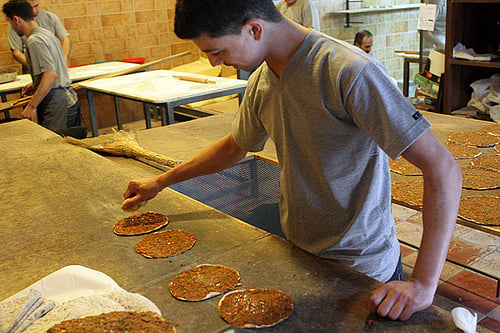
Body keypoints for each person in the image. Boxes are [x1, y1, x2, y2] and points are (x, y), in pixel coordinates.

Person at [122, 0, 462, 321]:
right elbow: (233, 148)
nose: (213, 62)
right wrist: (160, 182)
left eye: (217, 51)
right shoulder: (262, 80)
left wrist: (424, 283)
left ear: (254, 29)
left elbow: (443, 169)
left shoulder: (349, 72)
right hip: (301, 253)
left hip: (361, 267)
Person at [3, 0, 81, 132]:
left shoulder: (34, 41)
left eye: (10, 22)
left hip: (57, 100)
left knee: (54, 144)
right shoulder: (46, 34)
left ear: (16, 19)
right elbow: (53, 69)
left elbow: (50, 75)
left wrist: (32, 106)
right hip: (67, 98)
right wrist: (37, 84)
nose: (12, 26)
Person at [7, 0, 70, 73]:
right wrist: (35, 67)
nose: (34, 10)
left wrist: (62, 62)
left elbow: (50, 74)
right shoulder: (31, 38)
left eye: (36, 6)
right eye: (30, 8)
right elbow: (16, 52)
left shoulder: (35, 39)